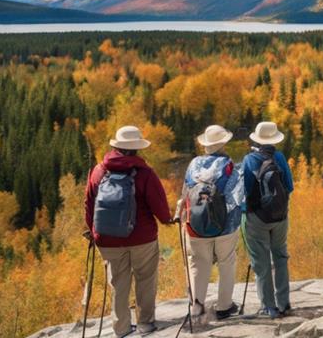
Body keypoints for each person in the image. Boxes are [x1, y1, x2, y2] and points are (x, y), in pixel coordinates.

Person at [84, 126, 173, 338]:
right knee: (145, 279)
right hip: (142, 239)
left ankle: (121, 328)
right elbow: (159, 207)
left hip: (108, 240)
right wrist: (167, 220)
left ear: (116, 147)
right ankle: (145, 324)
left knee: (118, 283)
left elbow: (89, 205)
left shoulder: (98, 172)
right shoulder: (145, 173)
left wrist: (94, 232)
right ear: (136, 149)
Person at [180, 125, 244, 320]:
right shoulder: (229, 166)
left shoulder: (193, 166)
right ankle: (224, 307)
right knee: (226, 262)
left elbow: (185, 193)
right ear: (223, 143)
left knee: (198, 264)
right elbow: (236, 198)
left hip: (196, 224)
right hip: (226, 225)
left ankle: (197, 307)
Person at [241, 121, 294, 319]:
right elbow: (289, 186)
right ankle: (284, 304)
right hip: (280, 217)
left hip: (257, 219)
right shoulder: (279, 157)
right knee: (280, 257)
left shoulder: (249, 160)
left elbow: (245, 191)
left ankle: (268, 306)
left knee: (261, 262)